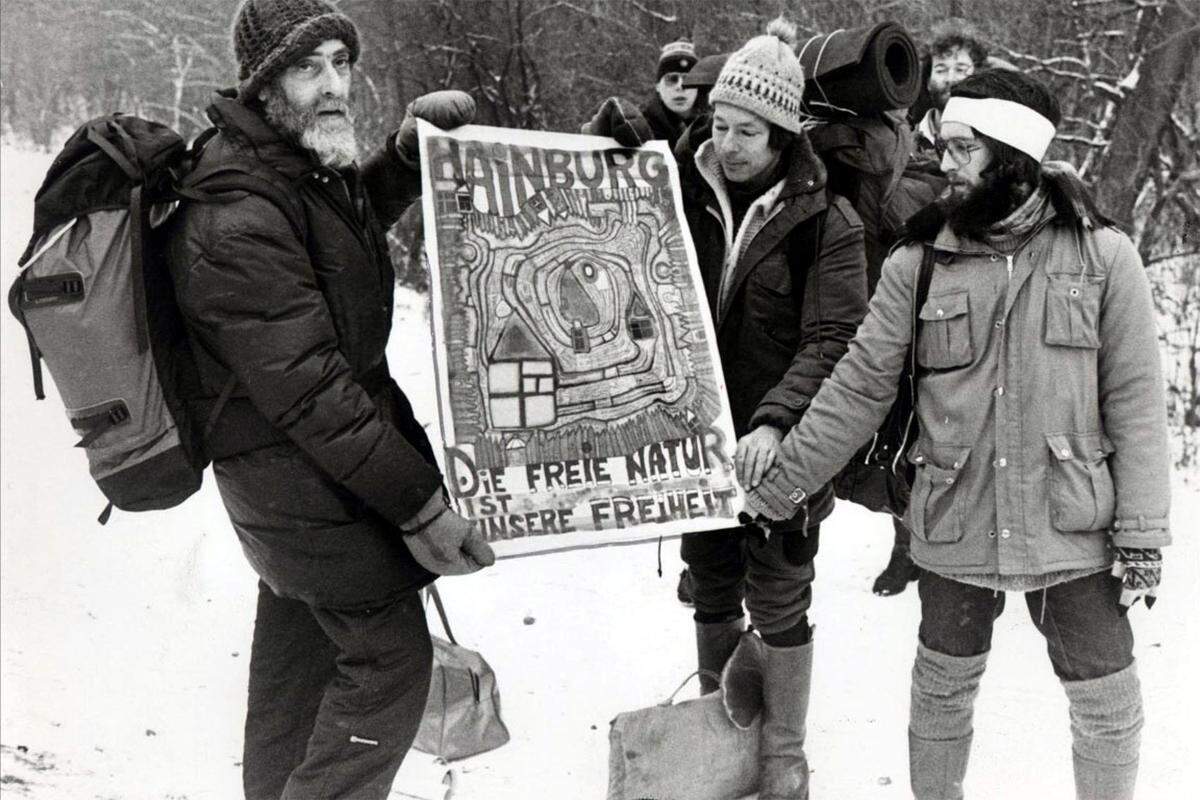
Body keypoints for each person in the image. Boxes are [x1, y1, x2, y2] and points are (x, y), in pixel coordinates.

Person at [745, 69, 1169, 800]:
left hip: (1073, 522)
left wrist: (1141, 532)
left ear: (1012, 153)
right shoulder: (917, 262)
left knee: (1107, 702)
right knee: (941, 691)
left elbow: (1135, 404)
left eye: (964, 148)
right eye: (945, 146)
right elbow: (858, 387)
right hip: (952, 517)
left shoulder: (1105, 257)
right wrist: (783, 482)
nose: (945, 163)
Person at [167, 1, 493, 797]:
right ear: (265, 82)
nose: (334, 84)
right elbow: (311, 389)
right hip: (297, 475)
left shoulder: (284, 168)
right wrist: (420, 509)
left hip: (299, 479)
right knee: (388, 668)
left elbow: (337, 244)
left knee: (301, 664)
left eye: (341, 62)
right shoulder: (234, 206)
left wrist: (405, 158)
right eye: (309, 66)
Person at [589, 19, 868, 798]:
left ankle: (782, 754)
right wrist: (594, 147)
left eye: (749, 130)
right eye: (721, 124)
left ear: (782, 134)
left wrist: (775, 422)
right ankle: (721, 725)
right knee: (709, 580)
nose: (732, 141)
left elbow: (832, 337)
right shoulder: (673, 185)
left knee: (779, 588)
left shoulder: (827, 222)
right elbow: (591, 230)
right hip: (692, 436)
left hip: (780, 444)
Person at [908, 20, 990, 154]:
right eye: (941, 70)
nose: (950, 79)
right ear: (928, 81)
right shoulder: (905, 143)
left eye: (960, 69)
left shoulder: (993, 142)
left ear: (978, 77)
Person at [641, 39, 701, 151]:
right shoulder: (639, 129)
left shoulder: (714, 127)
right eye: (671, 79)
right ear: (658, 86)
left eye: (688, 79)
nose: (680, 86)